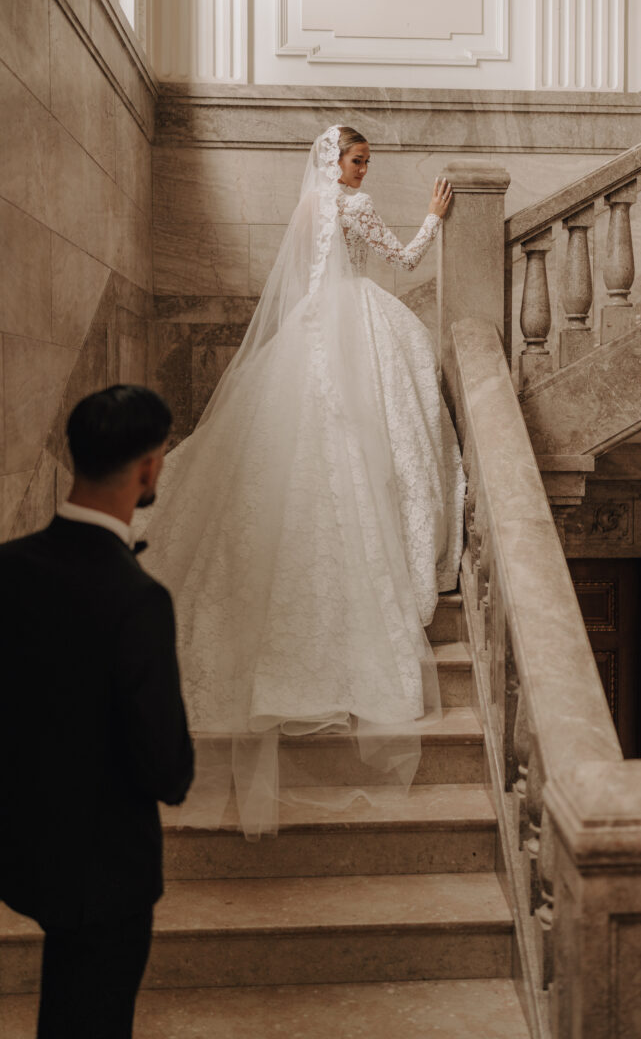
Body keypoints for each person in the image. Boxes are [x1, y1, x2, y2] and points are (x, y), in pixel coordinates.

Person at [139, 124, 465, 837]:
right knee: (369, 446)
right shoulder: (352, 205)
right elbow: (403, 259)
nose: (360, 171)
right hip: (356, 327)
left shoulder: (309, 206)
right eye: (355, 160)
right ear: (335, 160)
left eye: (365, 163)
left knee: (305, 453)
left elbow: (304, 280)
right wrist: (434, 220)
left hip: (312, 330)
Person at [0, 386, 194, 1039]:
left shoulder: (8, 569)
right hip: (107, 871)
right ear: (147, 468)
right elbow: (166, 769)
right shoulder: (137, 600)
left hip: (25, 849)